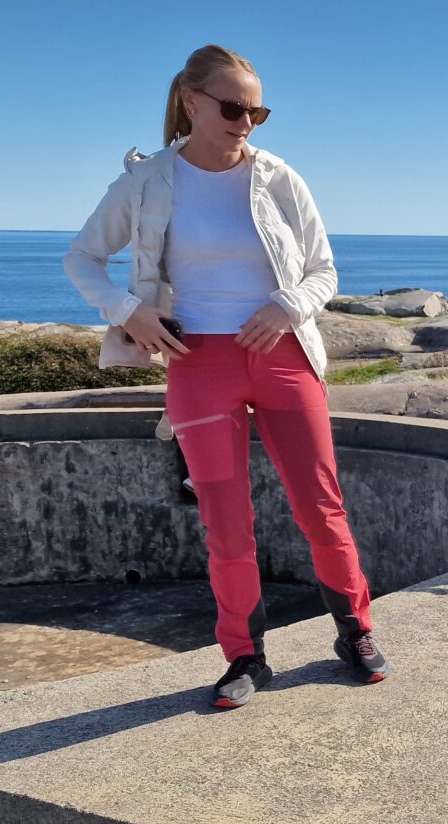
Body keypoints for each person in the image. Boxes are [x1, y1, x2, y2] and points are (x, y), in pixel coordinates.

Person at [64, 44, 387, 709]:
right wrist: (130, 313)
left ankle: (354, 632)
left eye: (257, 110)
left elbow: (324, 270)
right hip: (196, 364)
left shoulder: (279, 178)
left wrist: (286, 304)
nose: (247, 122)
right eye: (234, 107)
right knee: (225, 521)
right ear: (192, 101)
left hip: (283, 355)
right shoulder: (148, 181)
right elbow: (82, 259)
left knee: (321, 506)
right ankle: (245, 656)